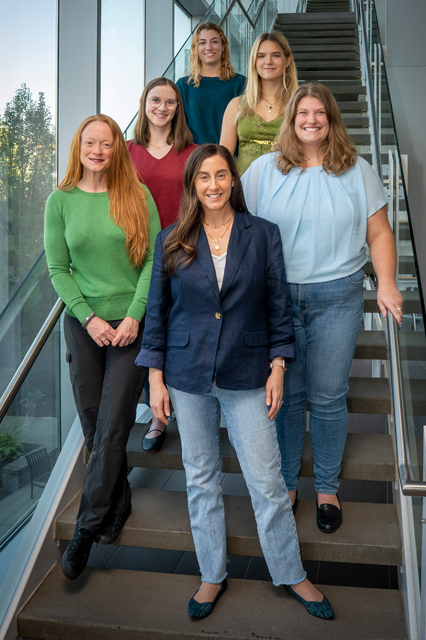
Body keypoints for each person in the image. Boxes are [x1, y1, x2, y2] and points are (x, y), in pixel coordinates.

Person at [136, 144, 334, 621]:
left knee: (266, 481)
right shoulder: (171, 239)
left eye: (221, 175)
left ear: (233, 180)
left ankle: (290, 572)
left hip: (247, 372)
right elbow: (158, 317)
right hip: (186, 374)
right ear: (192, 184)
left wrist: (278, 366)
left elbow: (277, 307)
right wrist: (155, 379)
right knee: (201, 478)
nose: (213, 185)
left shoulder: (263, 234)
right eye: (203, 177)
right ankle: (211, 573)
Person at [242, 84, 404, 533]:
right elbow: (237, 231)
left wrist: (387, 283)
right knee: (288, 397)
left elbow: (380, 234)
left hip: (339, 295)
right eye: (303, 113)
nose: (311, 120)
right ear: (290, 120)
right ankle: (289, 482)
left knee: (329, 396)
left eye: (320, 113)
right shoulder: (261, 172)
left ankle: (328, 488)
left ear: (331, 120)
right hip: (277, 300)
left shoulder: (358, 171)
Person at [44, 114, 161, 579]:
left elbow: (155, 258)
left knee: (113, 424)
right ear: (79, 148)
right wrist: (88, 317)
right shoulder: (60, 201)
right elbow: (58, 269)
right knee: (95, 425)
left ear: (116, 149)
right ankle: (120, 501)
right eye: (89, 142)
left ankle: (84, 534)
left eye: (106, 143)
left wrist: (134, 314)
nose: (97, 150)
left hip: (131, 323)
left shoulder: (136, 194)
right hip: (84, 325)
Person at [127, 77, 197, 451]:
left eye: (170, 102)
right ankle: (157, 415)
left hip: (184, 252)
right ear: (145, 103)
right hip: (138, 256)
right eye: (155, 100)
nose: (162, 108)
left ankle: (189, 413)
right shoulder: (125, 151)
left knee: (179, 332)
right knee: (150, 331)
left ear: (178, 108)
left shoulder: (193, 151)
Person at [220, 32, 297, 176]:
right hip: (244, 189)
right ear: (254, 62)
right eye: (261, 56)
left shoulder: (299, 105)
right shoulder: (236, 104)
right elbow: (224, 158)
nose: (268, 61)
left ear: (287, 61)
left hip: (288, 185)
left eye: (276, 55)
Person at [176, 22, 246, 145]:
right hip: (194, 158)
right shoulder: (183, 86)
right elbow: (177, 128)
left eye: (214, 41)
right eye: (202, 43)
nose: (209, 47)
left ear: (223, 46)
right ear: (196, 48)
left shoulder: (241, 83)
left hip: (231, 158)